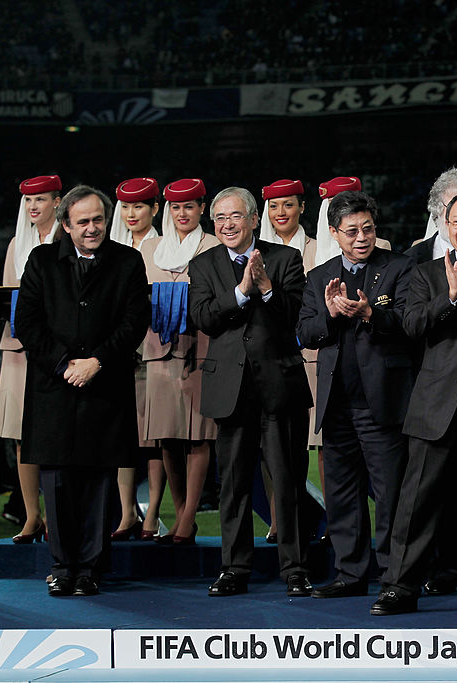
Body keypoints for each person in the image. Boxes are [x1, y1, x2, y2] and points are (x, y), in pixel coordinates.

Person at [371, 191, 457, 616]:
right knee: (417, 498)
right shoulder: (425, 273)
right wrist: (450, 297)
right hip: (437, 401)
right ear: (445, 228)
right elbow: (411, 326)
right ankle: (400, 585)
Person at [15, 185, 150, 596]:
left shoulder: (127, 261)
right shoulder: (41, 260)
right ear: (66, 225)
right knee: (56, 483)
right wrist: (65, 364)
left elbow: (135, 321)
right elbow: (28, 324)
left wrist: (97, 361)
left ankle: (90, 568)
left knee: (98, 482)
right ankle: (62, 566)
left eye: (98, 220)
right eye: (83, 221)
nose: (92, 228)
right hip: (54, 388)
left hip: (104, 387)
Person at [189, 186, 312, 598]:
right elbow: (204, 318)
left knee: (288, 480)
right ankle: (234, 568)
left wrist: (267, 287)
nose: (227, 224)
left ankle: (295, 568)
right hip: (230, 389)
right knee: (234, 482)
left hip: (279, 386)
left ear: (254, 219)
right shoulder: (203, 264)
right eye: (220, 218)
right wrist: (242, 292)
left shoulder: (285, 258)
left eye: (236, 216)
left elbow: (297, 316)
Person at [296, 190, 414, 598]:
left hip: (383, 403)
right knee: (342, 494)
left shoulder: (399, 266)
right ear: (333, 232)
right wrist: (330, 314)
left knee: (390, 495)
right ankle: (350, 574)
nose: (361, 237)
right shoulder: (319, 276)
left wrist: (369, 313)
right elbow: (305, 333)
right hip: (337, 404)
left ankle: (395, 577)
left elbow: (409, 323)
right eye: (351, 231)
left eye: (368, 229)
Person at [141, 178, 221, 545]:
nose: (182, 213)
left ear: (202, 208)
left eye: (189, 206)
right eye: (176, 207)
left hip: (201, 349)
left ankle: (188, 518)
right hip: (158, 350)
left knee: (198, 436)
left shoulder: (213, 245)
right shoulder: (151, 248)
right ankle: (178, 513)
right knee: (167, 437)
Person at [0, 175, 61, 543]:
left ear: (57, 201)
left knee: (53, 434)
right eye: (28, 200)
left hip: (55, 349)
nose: (33, 206)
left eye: (41, 198)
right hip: (19, 349)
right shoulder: (16, 244)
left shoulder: (68, 240)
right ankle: (31, 516)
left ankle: (55, 516)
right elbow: (10, 298)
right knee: (22, 436)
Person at [258, 178, 318, 542]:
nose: (281, 212)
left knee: (307, 446)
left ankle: (310, 517)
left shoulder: (318, 249)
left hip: (311, 357)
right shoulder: (254, 251)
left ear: (302, 208)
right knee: (270, 446)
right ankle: (278, 517)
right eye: (274, 206)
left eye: (289, 204)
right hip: (269, 361)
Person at [109, 177, 165, 541]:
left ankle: (153, 513)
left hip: (155, 350)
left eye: (139, 206)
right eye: (126, 207)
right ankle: (126, 512)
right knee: (122, 435)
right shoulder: (110, 247)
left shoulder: (165, 248)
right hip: (117, 354)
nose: (132, 213)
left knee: (155, 437)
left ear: (154, 209)